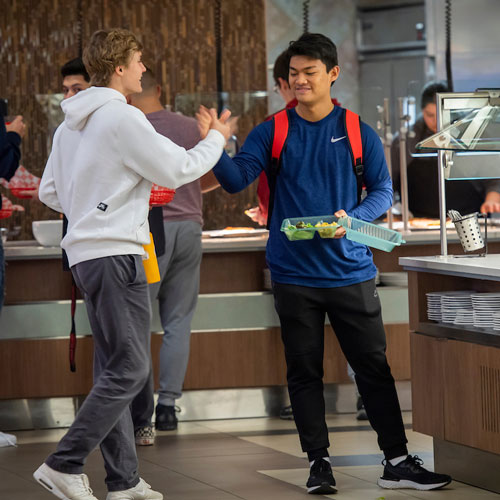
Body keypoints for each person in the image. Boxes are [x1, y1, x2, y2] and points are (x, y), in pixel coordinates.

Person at [207, 33, 452, 495]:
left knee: (373, 368)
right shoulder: (272, 130)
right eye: (294, 73)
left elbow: (382, 191)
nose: (300, 81)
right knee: (304, 371)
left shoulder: (358, 130)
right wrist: (215, 146)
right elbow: (237, 181)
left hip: (350, 270)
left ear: (332, 74)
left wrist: (354, 218)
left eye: (309, 73)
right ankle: (318, 464)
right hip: (293, 274)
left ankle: (396, 461)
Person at [34, 27, 231, 500]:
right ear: (119, 67)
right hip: (117, 252)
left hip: (85, 256)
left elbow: (48, 192)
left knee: (113, 369)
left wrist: (94, 201)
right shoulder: (123, 118)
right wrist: (219, 138)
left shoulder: (69, 125)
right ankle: (63, 463)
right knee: (131, 370)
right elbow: (180, 169)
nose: (144, 69)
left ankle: (123, 481)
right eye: (139, 60)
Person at [128, 68, 220, 444]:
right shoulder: (188, 127)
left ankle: (141, 412)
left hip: (151, 231)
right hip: (190, 228)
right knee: (179, 320)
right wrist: (192, 195)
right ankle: (168, 405)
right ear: (162, 90)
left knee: (139, 322)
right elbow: (213, 173)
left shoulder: (131, 128)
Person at [391, 81, 500, 218]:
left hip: (469, 223)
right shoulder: (405, 140)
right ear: (421, 110)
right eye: (430, 115)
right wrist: (394, 208)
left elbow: (494, 179)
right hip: (418, 224)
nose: (436, 121)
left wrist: (492, 200)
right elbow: (387, 182)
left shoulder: (474, 134)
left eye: (442, 114)